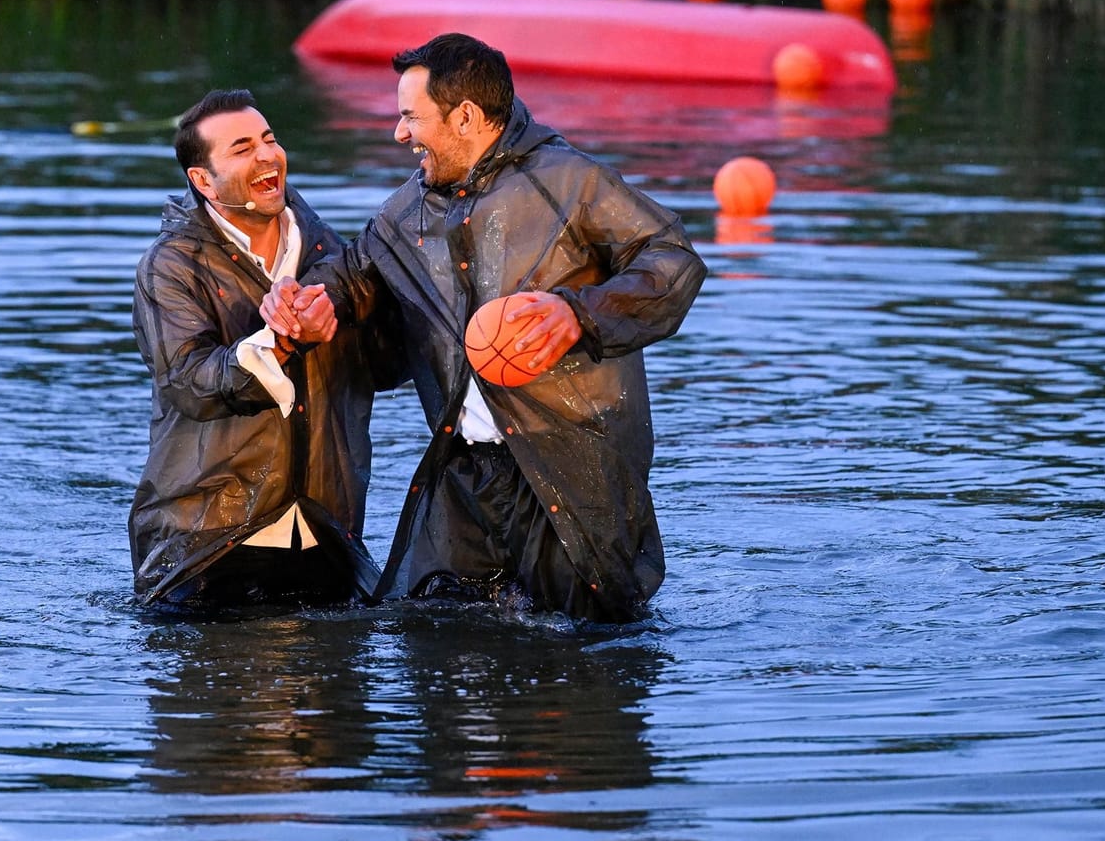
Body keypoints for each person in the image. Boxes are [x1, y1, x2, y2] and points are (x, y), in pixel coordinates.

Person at [263, 34, 706, 622]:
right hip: (461, 474)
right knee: (428, 638)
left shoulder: (572, 182)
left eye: (409, 118)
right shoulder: (406, 210)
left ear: (465, 116)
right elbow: (347, 278)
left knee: (587, 655)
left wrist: (577, 312)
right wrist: (301, 302)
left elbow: (674, 261)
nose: (400, 134)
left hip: (572, 468)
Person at [130, 88, 398, 612]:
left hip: (327, 527)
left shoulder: (333, 252)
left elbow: (387, 364)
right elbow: (190, 383)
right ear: (202, 180)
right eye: (242, 148)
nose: (267, 155)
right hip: (207, 541)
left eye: (269, 139)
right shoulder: (169, 267)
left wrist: (344, 321)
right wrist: (279, 341)